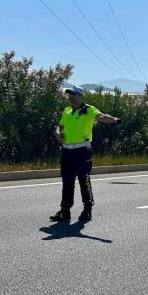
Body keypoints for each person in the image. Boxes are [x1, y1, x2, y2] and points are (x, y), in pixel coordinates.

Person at [49, 85, 120, 223]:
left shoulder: (88, 110)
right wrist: (57, 132)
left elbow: (101, 116)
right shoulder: (67, 110)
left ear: (81, 96)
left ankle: (87, 209)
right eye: (69, 94)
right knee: (67, 182)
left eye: (73, 94)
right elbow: (60, 126)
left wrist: (114, 120)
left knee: (83, 180)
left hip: (82, 152)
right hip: (67, 152)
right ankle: (65, 211)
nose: (70, 96)